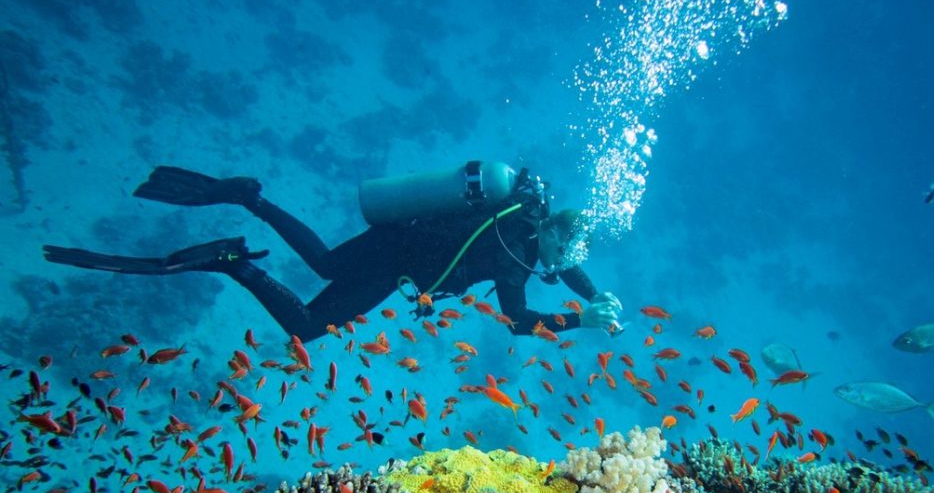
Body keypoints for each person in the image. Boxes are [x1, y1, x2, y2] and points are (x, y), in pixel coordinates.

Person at [43, 164, 623, 342]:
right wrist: (579, 320)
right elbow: (519, 321)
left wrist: (595, 296)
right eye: (561, 250)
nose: (562, 263)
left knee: (321, 266)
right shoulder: (510, 249)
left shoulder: (526, 226)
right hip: (396, 261)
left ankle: (252, 205)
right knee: (308, 327)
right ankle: (234, 262)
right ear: (549, 233)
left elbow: (567, 264)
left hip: (399, 250)